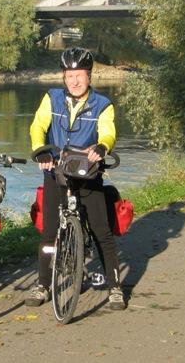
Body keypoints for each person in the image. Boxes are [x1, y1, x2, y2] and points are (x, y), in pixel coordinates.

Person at [27, 47, 126, 310]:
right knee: (49, 233)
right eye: (70, 75)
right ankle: (42, 284)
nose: (74, 81)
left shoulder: (103, 105)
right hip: (56, 171)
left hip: (88, 172)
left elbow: (108, 132)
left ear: (89, 76)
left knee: (100, 231)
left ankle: (115, 287)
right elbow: (38, 125)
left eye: (79, 75)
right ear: (64, 76)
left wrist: (103, 147)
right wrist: (40, 150)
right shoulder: (52, 98)